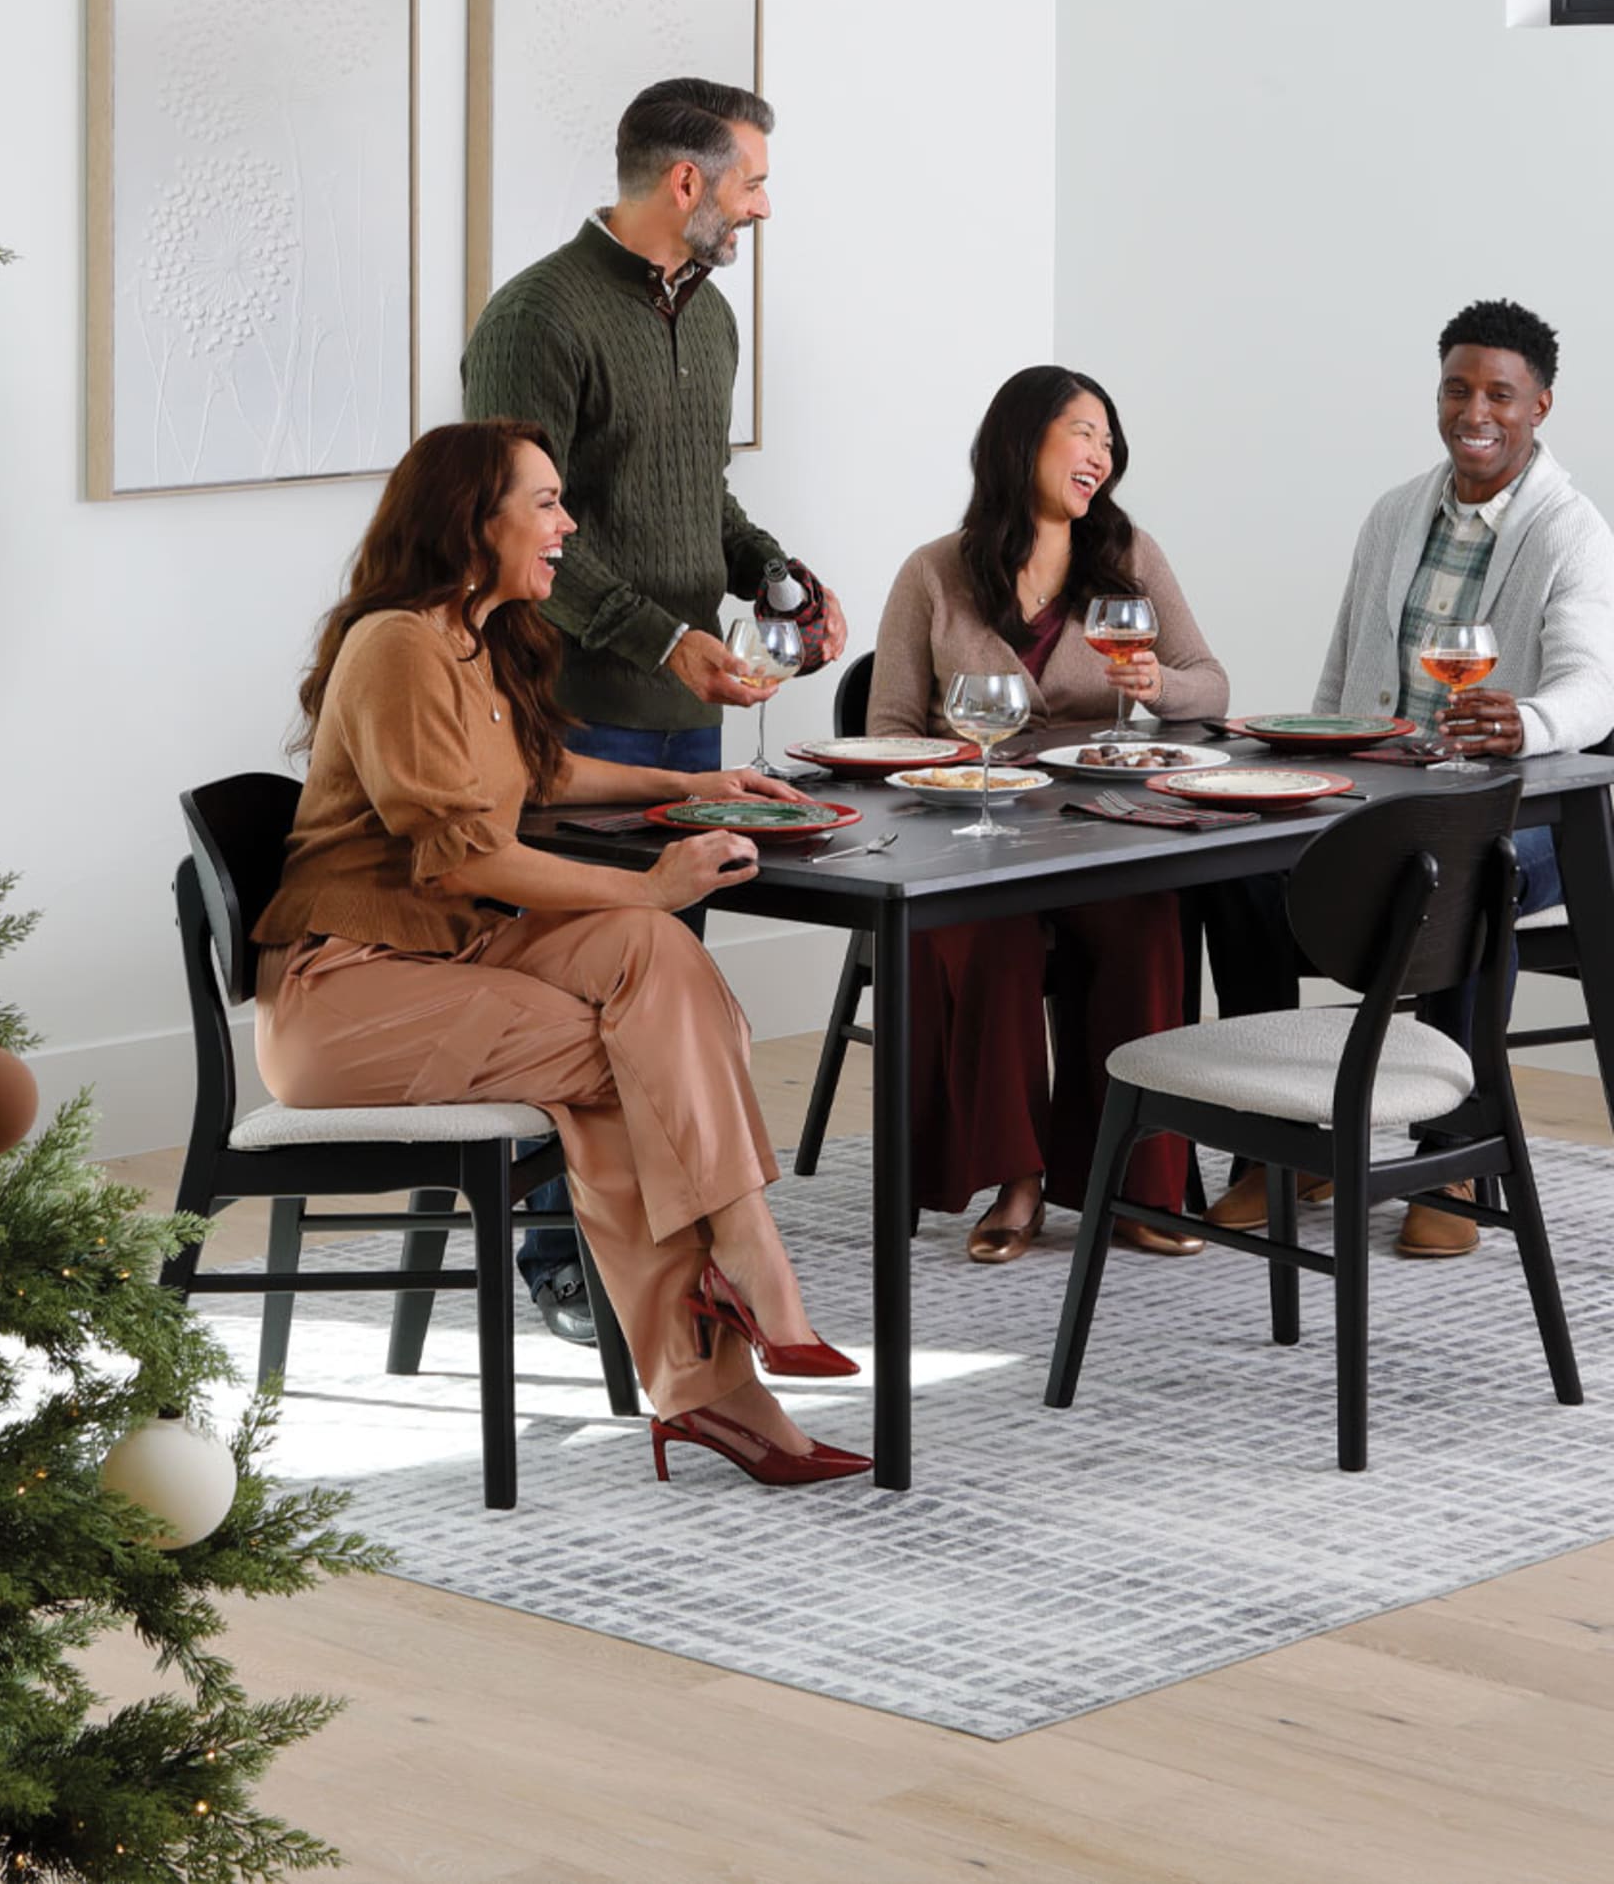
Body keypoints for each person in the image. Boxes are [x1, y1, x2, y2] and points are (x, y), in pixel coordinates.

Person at [251, 418, 869, 1488]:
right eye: (544, 502)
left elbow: (543, 774)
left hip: (446, 970)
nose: (568, 524)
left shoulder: (471, 635)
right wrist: (648, 881)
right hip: (345, 998)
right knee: (638, 1036)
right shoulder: (396, 643)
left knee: (651, 958)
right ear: (470, 521)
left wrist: (693, 785)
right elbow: (459, 860)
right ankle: (727, 1339)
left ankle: (737, 1300)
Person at [462, 75, 847, 1341]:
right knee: (564, 994)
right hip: (570, 716)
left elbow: (701, 502)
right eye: (753, 181)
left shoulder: (715, 315)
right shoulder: (539, 317)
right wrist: (663, 638)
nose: (764, 206)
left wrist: (782, 576)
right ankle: (556, 1263)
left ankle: (670, 1252)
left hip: (690, 713)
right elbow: (522, 533)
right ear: (687, 183)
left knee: (668, 984)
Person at [1204, 299, 1614, 1257]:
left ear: (1540, 406)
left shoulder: (1573, 531)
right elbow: (1342, 673)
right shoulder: (1394, 514)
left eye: (1500, 394)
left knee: (1473, 872)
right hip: (1382, 791)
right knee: (1239, 873)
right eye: (1458, 387)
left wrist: (1531, 720)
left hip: (1520, 811)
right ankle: (1282, 1141)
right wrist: (1298, 781)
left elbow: (1595, 685)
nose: (1476, 410)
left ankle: (1453, 1148)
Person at [867, 366, 1230, 1263]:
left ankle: (1134, 1183)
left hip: (1101, 822)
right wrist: (961, 765)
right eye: (1083, 432)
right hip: (969, 832)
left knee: (1147, 923)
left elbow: (1209, 686)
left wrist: (1158, 685)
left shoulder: (1130, 556)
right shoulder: (934, 572)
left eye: (1110, 439)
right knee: (987, 936)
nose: (1102, 454)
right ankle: (1017, 1179)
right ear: (1022, 440)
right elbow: (886, 732)